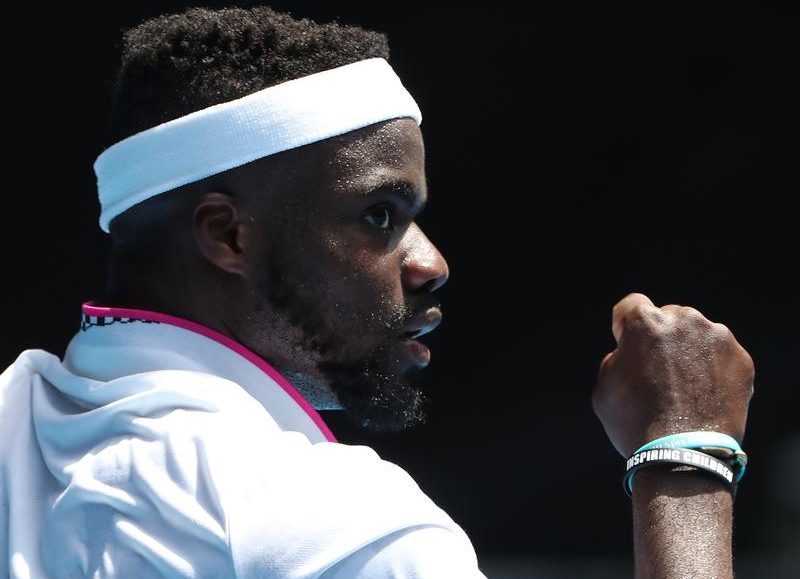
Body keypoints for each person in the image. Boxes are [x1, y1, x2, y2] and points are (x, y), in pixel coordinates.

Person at [0, 5, 754, 578]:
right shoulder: (340, 526)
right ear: (229, 235)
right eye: (380, 215)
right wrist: (683, 454)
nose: (430, 262)